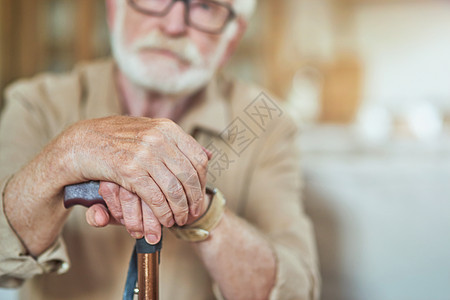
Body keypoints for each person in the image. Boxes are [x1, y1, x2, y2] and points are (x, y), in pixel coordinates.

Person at [0, 0, 320, 299]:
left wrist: (198, 206)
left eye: (205, 5)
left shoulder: (266, 121)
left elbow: (297, 290)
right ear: (114, 8)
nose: (174, 25)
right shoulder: (35, 103)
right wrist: (69, 154)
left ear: (232, 37)